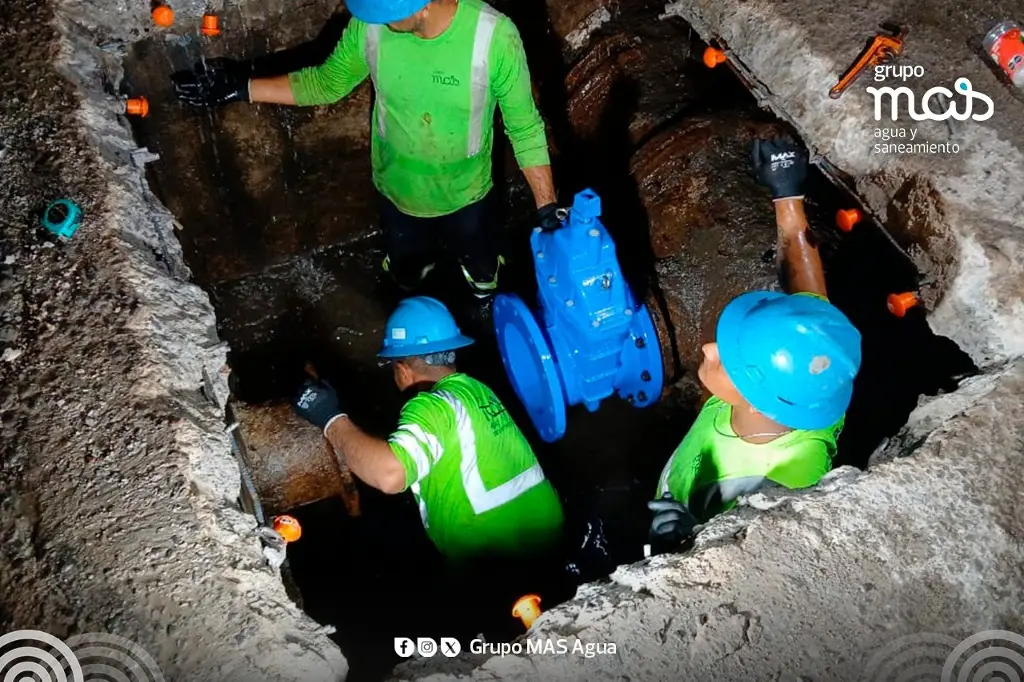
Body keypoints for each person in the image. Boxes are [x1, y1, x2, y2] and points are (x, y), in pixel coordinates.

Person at [171, 0, 559, 302]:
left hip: (468, 195)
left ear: (423, 7)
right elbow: (324, 85)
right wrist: (239, 87)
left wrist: (546, 207)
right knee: (407, 273)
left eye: (387, 12)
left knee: (482, 266)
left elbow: (524, 127)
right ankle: (410, 293)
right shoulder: (372, 26)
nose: (378, 19)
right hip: (397, 192)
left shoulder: (493, 38)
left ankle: (483, 298)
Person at [648, 137, 863, 550]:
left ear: (755, 400)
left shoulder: (787, 481)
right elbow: (808, 302)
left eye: (729, 358)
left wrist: (679, 550)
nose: (710, 348)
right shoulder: (815, 383)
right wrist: (787, 194)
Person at [291, 295, 565, 564]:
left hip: (490, 551)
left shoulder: (430, 406)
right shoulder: (480, 391)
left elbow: (390, 475)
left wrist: (329, 417)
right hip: (550, 535)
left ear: (403, 369)